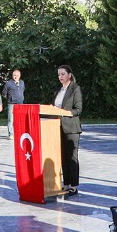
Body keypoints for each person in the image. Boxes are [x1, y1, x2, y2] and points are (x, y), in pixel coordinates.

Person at [53, 65, 84, 196]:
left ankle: (74, 186)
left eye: (63, 74)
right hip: (57, 127)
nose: (60, 77)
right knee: (63, 158)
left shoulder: (75, 89)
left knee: (72, 157)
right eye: (59, 74)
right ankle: (65, 184)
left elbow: (78, 109)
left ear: (69, 75)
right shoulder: (58, 91)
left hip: (71, 128)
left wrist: (64, 112)